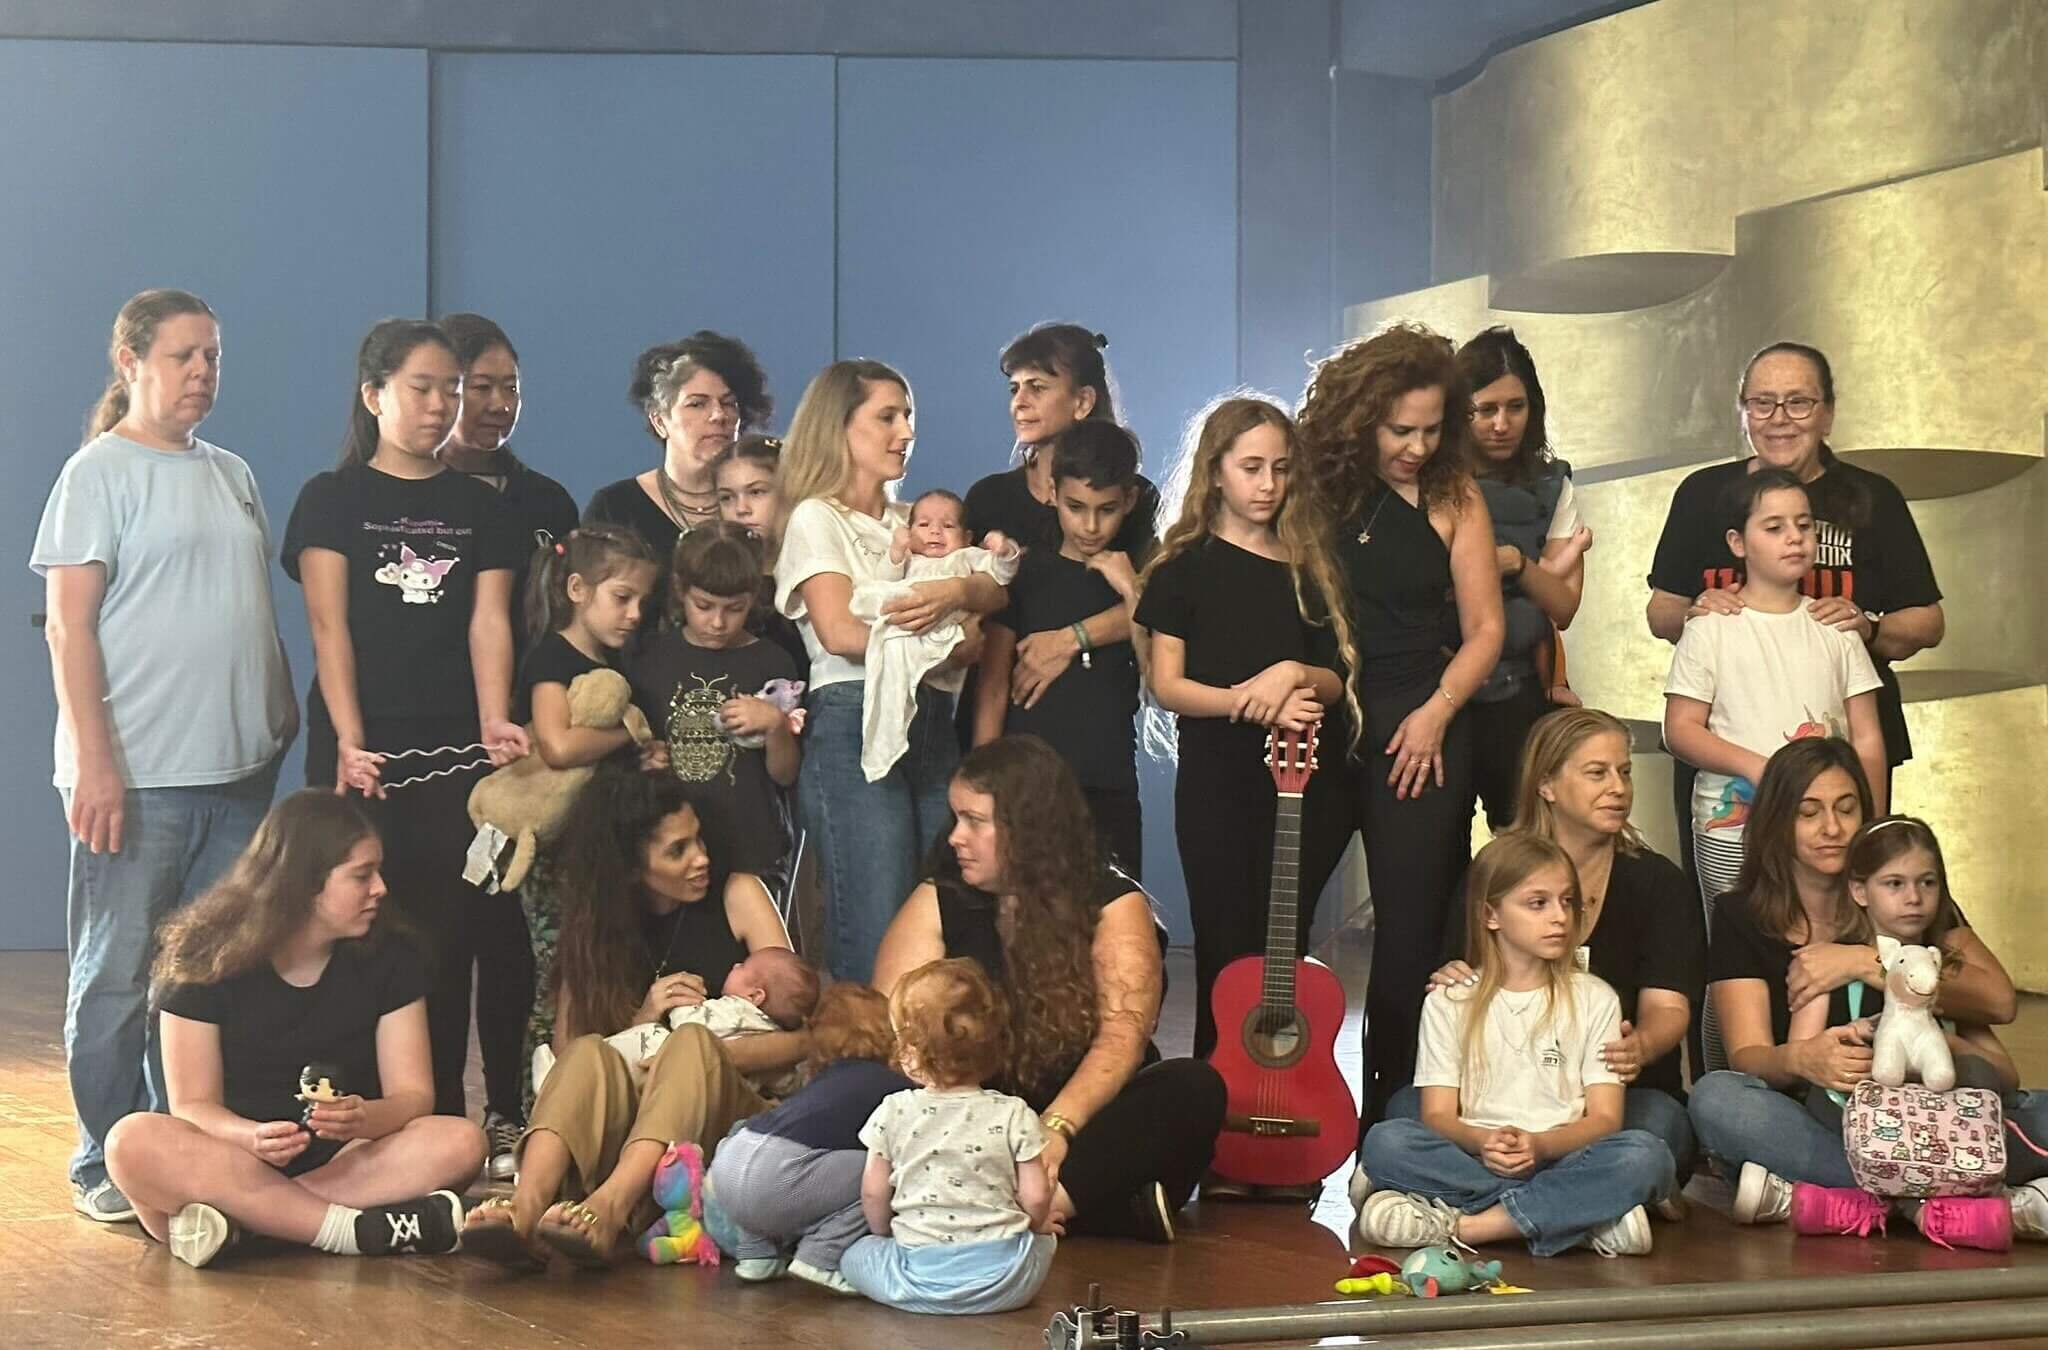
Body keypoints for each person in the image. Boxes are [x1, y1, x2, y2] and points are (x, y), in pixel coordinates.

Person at [33, 289, 296, 1223]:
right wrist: (96, 765)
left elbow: (241, 608)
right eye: (184, 356)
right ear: (131, 364)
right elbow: (69, 632)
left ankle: (179, 1152)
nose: (202, 374)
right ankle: (103, 1159)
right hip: (138, 781)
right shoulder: (96, 474)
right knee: (114, 977)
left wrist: (275, 713)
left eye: (214, 357)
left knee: (202, 979)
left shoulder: (232, 472)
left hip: (238, 778)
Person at [282, 318, 529, 1121]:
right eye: (421, 389)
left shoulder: (479, 506)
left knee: (448, 934)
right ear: (374, 394)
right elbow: (330, 626)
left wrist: (495, 723)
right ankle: (349, 1107)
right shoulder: (330, 500)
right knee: (359, 923)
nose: (439, 407)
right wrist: (352, 739)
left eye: (450, 392)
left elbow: (488, 621)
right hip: (363, 750)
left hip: (455, 753)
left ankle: (443, 1113)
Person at [101, 792, 485, 1268]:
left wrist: (363, 1118)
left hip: (345, 1163)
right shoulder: (202, 956)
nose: (381, 888)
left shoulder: (393, 956)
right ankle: (347, 1230)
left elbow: (413, 1096)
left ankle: (247, 1228)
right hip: (228, 1164)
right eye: (362, 875)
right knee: (130, 1141)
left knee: (461, 1141)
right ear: (304, 885)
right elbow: (193, 1106)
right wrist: (248, 1138)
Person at [873, 736, 1226, 1242]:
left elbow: (1123, 1036)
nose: (955, 837)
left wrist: (1056, 1130)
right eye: (956, 818)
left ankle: (1023, 1211)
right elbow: (893, 1034)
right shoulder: (939, 899)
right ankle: (1095, 1208)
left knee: (1194, 1088)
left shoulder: (1112, 900)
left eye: (975, 821)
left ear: (1028, 829)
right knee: (871, 1098)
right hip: (971, 1124)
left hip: (1078, 1120)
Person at [461, 762, 803, 1269]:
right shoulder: (594, 925)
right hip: (632, 1126)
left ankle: (610, 1208)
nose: (700, 859)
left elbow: (803, 1039)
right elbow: (567, 1057)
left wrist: (686, 1055)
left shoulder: (738, 894)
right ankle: (526, 1209)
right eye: (677, 850)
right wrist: (643, 1018)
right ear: (629, 868)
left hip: (725, 1125)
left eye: (699, 840)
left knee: (691, 1046)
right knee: (585, 1052)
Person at [1686, 740, 2027, 1244]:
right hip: (1828, 1117)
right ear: (1778, 820)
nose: (1832, 829)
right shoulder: (1743, 914)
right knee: (1717, 1100)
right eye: (1809, 812)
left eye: (1847, 809)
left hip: (1937, 1113)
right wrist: (1805, 1059)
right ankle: (1943, 1200)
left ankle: (1850, 1198)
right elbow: (1748, 1057)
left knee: (2030, 1108)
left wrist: (1866, 962)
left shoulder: (1907, 895)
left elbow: (1999, 1001)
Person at [1296, 322, 1506, 1127]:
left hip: (1424, 716)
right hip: (1317, 719)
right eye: (1399, 430)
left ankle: (1393, 1128)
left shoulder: (1455, 494)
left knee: (1412, 942)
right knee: (1276, 922)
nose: (1417, 447)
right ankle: (1267, 1114)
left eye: (1430, 429)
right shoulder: (1314, 488)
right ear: (1360, 420)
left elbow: (1485, 628)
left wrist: (1434, 716)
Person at [1646, 341, 1944, 885]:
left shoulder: (1873, 497)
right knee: (1732, 914)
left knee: (1839, 900)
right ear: (1742, 412)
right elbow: (1661, 611)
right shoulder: (1703, 494)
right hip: (1729, 764)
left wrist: (1869, 628)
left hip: (1843, 751)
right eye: (1762, 403)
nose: (1779, 419)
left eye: (1799, 403)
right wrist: (1697, 610)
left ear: (1827, 412)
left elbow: (1927, 621)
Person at [1131, 397, 1356, 1060]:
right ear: (1216, 471)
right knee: (1226, 953)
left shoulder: (1310, 566)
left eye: (1281, 469)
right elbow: (1165, 686)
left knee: (1283, 950)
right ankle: (1219, 1119)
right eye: (1251, 467)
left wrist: (1291, 674)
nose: (1268, 485)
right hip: (1218, 784)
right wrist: (1251, 701)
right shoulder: (1183, 569)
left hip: (1311, 782)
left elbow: (1336, 680)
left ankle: (1285, 1110)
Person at [774, 360, 1008, 982]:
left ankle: (927, 1075)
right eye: (887, 416)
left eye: (909, 416)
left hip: (933, 722)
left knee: (938, 919)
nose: (905, 431)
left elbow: (995, 594)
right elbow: (840, 633)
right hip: (853, 719)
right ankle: (862, 1075)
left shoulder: (916, 521)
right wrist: (944, 637)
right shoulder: (816, 518)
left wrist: (958, 590)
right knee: (876, 927)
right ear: (839, 427)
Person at [1355, 833, 1675, 1258]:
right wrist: (1483, 1141)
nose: (1559, 917)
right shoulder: (1448, 1001)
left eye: (1567, 901)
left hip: (1564, 1154)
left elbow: (1604, 1118)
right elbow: (1436, 1114)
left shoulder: (1597, 998)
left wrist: (1540, 1146)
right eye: (1537, 903)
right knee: (1385, 1143)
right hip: (1475, 1155)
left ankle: (1469, 1225)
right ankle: (1582, 1217)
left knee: (1646, 1156)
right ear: (1491, 915)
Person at [1417, 709, 1703, 1183]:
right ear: (1546, 785)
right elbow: (1466, 974)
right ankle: (1575, 1201)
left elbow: (1669, 1007)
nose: (1619, 788)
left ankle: (1485, 1196)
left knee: (1659, 1134)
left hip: (1613, 1101)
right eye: (1598, 773)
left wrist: (1641, 1046)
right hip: (1497, 1104)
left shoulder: (1658, 882)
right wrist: (1454, 979)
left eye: (1625, 772)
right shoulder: (1493, 870)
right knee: (1405, 1116)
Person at [1664, 468, 1888, 1072]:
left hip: (1822, 827)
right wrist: (1765, 771)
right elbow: (1680, 729)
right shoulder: (1712, 626)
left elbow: (1867, 736)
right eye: (1774, 527)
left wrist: (1873, 821)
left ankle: (1818, 1077)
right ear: (1738, 543)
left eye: (1803, 525)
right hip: (1730, 824)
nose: (1794, 538)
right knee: (1733, 962)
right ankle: (1726, 1091)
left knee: (1824, 945)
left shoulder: (1835, 627)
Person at [507, 524, 664, 1134]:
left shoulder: (618, 666)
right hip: (553, 855)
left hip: (600, 850)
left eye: (643, 602)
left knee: (600, 971)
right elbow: (558, 744)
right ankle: (539, 1112)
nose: (633, 614)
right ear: (576, 588)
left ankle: (599, 1101)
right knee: (559, 980)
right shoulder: (551, 656)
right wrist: (632, 735)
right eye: (620, 598)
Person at [961, 323, 1161, 738]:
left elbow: (1160, 607)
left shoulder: (1138, 498)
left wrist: (1071, 639)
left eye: (1037, 387)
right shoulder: (989, 499)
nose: (1020, 402)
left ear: (1083, 400)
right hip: (1002, 727)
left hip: (1096, 733)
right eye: (1014, 389)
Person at [974, 421, 1147, 879]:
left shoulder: (1136, 583)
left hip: (1110, 782)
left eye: (1107, 510)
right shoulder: (1025, 576)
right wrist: (981, 783)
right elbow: (991, 686)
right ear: (1052, 493)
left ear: (1128, 501)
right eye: (1076, 507)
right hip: (1029, 784)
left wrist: (1132, 591)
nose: (1090, 525)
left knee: (1116, 922)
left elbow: (1158, 678)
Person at [840, 958, 1057, 1314]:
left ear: (910, 1053)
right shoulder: (1015, 1112)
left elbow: (873, 1191)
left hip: (917, 1275)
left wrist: (883, 1236)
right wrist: (1037, 1227)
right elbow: (1035, 1198)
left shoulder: (893, 1111)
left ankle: (913, 1290)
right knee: (1041, 1239)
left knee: (854, 1256)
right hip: (1009, 1281)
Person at [1455, 328, 1593, 830]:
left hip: (1518, 692)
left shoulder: (1552, 482)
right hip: (1437, 685)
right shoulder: (1427, 477)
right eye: (1485, 409)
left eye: (1515, 407)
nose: (1500, 424)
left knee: (1526, 844)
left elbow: (1564, 606)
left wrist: (1516, 564)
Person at [703, 982, 913, 1290]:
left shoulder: (825, 1080)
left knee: (776, 1173)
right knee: (880, 1174)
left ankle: (757, 1256)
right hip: (775, 1175)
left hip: (729, 1163)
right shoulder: (888, 1085)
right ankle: (820, 1257)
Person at [629, 523, 801, 896]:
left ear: (753, 598)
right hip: (676, 857)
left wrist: (775, 725)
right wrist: (647, 759)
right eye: (703, 606)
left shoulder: (773, 663)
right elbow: (639, 755)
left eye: (734, 610)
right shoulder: (651, 662)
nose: (718, 622)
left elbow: (786, 776)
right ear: (680, 591)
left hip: (754, 851)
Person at [436, 313, 579, 659]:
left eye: (511, 388)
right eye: (482, 387)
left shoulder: (548, 500)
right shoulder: (408, 494)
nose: (501, 405)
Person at [852, 489, 1019, 783]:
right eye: (924, 525)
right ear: (909, 530)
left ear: (967, 537)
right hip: (905, 621)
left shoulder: (966, 558)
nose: (935, 532)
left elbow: (1000, 575)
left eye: (948, 526)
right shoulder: (909, 562)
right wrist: (894, 553)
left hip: (944, 636)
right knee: (876, 598)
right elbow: (885, 580)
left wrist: (1004, 551)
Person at [586, 332, 773, 564]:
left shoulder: (764, 504)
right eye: (697, 404)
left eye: (728, 403)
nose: (718, 415)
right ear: (659, 421)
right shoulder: (615, 508)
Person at [713, 433, 809, 670]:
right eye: (727, 498)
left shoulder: (818, 571)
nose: (741, 509)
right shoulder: (715, 578)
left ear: (789, 490)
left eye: (756, 492)